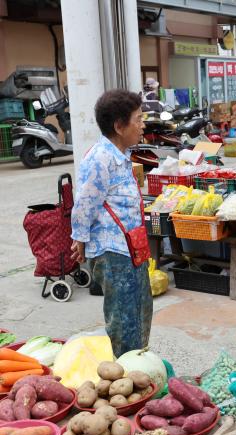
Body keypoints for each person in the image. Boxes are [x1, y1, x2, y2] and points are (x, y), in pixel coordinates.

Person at [70, 89, 152, 358]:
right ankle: (126, 373)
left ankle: (139, 363)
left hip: (131, 247)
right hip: (112, 251)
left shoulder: (120, 155)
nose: (143, 125)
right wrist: (79, 239)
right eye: (138, 119)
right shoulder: (99, 159)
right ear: (119, 126)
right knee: (123, 318)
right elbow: (84, 204)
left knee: (141, 309)